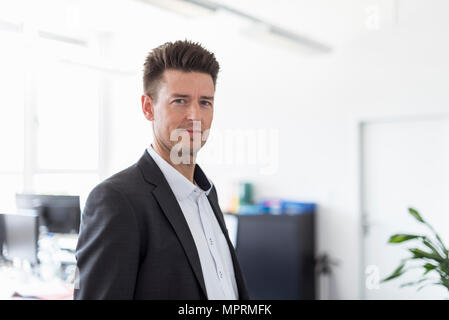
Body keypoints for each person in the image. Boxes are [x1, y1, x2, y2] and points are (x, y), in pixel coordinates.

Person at [74, 40, 249, 300]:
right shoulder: (116, 200)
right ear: (148, 107)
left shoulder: (207, 194)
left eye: (205, 102)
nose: (195, 116)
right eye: (180, 101)